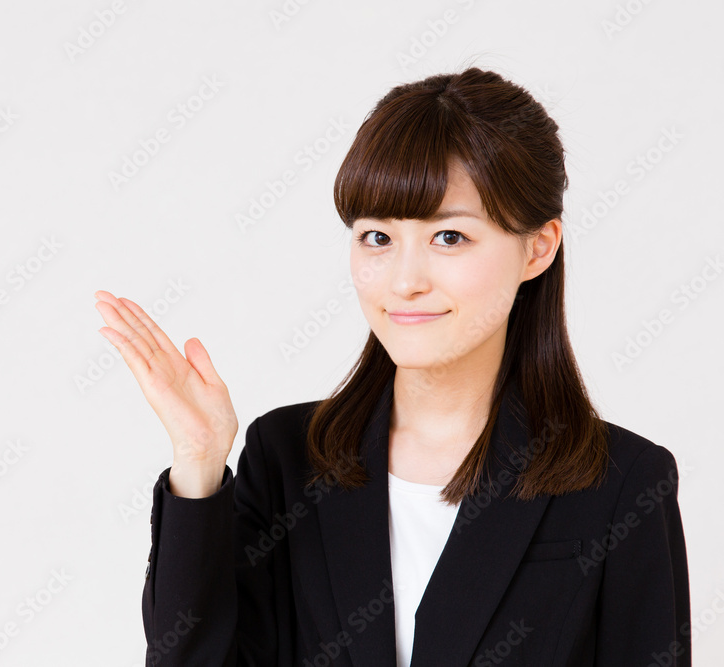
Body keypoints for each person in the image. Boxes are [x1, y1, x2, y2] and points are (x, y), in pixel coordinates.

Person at [94, 67, 691, 666]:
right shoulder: (287, 458)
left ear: (538, 248)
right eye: (377, 237)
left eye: (449, 238)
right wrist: (198, 463)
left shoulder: (622, 483)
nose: (405, 281)